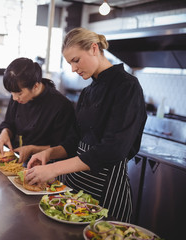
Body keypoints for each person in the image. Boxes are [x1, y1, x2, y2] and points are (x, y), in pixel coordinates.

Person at [25, 27, 147, 223]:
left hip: (106, 192)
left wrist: (54, 170)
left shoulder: (127, 86)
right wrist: (50, 154)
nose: (73, 68)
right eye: (69, 63)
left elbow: (113, 150)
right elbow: (75, 140)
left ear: (93, 48)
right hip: (74, 188)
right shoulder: (88, 92)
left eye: (76, 60)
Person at [0, 57, 76, 164]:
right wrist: (5, 133)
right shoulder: (17, 97)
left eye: (19, 94)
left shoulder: (61, 105)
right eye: (11, 93)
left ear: (36, 86)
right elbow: (9, 123)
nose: (14, 98)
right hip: (18, 161)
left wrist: (32, 149)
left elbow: (64, 147)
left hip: (47, 167)